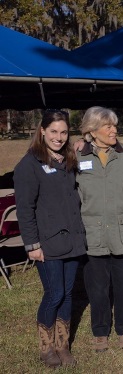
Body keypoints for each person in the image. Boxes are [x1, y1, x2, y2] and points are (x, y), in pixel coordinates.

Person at [13, 110, 86, 368]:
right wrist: (32, 245)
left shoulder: (67, 160)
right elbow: (24, 209)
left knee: (67, 294)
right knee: (54, 293)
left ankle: (62, 345)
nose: (59, 137)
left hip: (72, 239)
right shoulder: (29, 165)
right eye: (53, 131)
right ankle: (46, 348)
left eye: (64, 132)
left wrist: (84, 142)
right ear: (42, 131)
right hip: (48, 242)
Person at [76, 107, 123, 352]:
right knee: (97, 288)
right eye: (107, 126)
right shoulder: (77, 157)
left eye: (114, 125)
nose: (114, 130)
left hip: (122, 232)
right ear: (92, 131)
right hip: (93, 233)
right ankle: (100, 331)